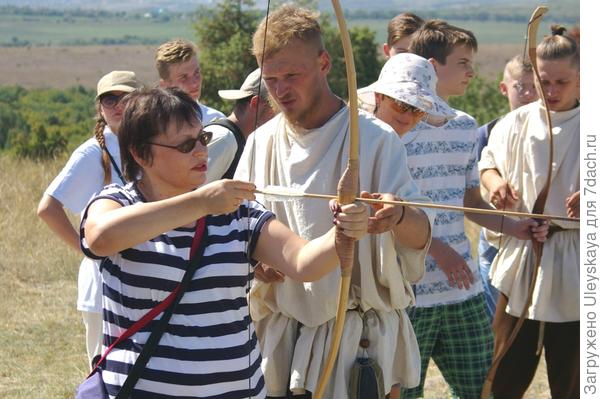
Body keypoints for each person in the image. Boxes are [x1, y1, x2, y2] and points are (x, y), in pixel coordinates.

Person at [79, 87, 369, 398]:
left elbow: (303, 263)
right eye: (186, 145)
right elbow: (100, 238)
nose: (201, 152)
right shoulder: (117, 203)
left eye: (202, 139)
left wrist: (341, 232)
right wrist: (200, 203)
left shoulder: (235, 212)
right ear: (140, 153)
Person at [235, 5, 435, 398]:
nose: (280, 89)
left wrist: (397, 216)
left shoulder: (375, 139)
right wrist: (254, 264)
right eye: (270, 78)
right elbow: (236, 230)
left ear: (324, 62)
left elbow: (420, 234)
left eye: (292, 75)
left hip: (358, 339)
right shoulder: (260, 142)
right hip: (281, 335)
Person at [399, 21, 549, 398]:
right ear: (433, 67)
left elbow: (470, 202)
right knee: (402, 392)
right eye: (463, 62)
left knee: (481, 389)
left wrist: (519, 228)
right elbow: (387, 212)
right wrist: (437, 249)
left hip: (462, 292)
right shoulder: (396, 129)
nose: (471, 71)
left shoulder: (465, 127)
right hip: (408, 295)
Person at [478, 25, 580, 399]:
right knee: (503, 373)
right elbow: (487, 164)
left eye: (562, 82)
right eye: (544, 81)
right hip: (524, 263)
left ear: (581, 78)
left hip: (575, 267)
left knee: (573, 379)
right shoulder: (516, 122)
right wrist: (495, 185)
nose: (551, 91)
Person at [37, 70, 143, 369]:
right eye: (110, 99)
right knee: (105, 375)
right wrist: (88, 251)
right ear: (100, 108)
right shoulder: (92, 153)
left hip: (143, 280)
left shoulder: (148, 146)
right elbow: (48, 208)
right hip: (104, 284)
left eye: (127, 97)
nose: (118, 105)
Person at [476, 55, 538, 320]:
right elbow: (479, 173)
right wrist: (494, 183)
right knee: (498, 317)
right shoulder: (487, 132)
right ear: (504, 88)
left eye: (534, 86)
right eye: (519, 87)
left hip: (538, 234)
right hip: (496, 233)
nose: (527, 94)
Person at [204, 68, 276, 182]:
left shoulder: (237, 139)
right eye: (276, 108)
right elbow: (190, 192)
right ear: (255, 104)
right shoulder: (225, 139)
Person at [358, 12, 424, 113]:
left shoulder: (430, 101)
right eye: (401, 52)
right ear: (386, 50)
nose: (409, 58)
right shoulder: (362, 99)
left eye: (416, 53)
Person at [155, 38, 224, 122]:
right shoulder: (154, 123)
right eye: (183, 77)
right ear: (164, 85)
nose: (194, 83)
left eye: (197, 73)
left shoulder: (215, 120)